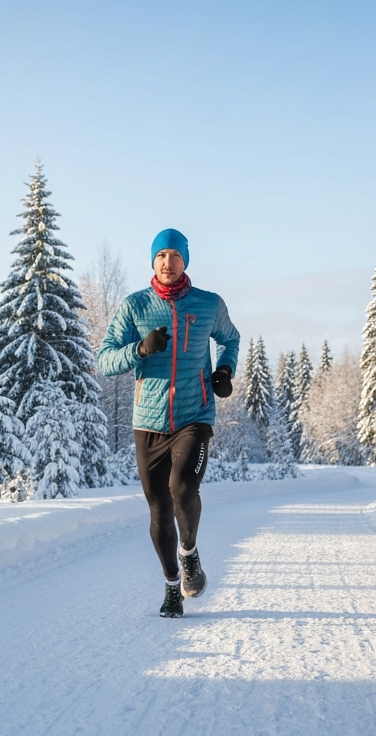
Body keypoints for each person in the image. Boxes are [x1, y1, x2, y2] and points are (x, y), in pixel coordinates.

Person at [97, 229, 240, 618]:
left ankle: (189, 551)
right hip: (148, 423)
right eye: (161, 255)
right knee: (159, 508)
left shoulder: (208, 304)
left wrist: (225, 369)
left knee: (182, 487)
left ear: (185, 261)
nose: (167, 262)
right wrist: (139, 348)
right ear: (152, 261)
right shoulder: (135, 307)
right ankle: (173, 586)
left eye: (175, 255)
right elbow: (105, 360)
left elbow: (231, 339)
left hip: (195, 416)